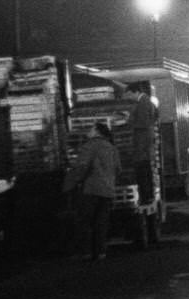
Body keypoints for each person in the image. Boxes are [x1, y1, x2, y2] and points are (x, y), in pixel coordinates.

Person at [62, 122, 120, 261]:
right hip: (108, 191)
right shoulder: (112, 148)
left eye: (91, 129)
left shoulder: (89, 146)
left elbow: (81, 167)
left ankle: (85, 252)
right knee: (101, 222)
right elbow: (118, 169)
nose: (88, 131)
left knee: (85, 222)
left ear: (97, 132)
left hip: (91, 190)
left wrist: (68, 185)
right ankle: (100, 252)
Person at [124, 82, 157, 203]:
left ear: (135, 92)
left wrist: (128, 121)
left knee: (142, 171)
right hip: (144, 143)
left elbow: (142, 123)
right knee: (145, 170)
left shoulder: (143, 102)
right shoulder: (145, 100)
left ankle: (146, 196)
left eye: (128, 94)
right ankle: (148, 196)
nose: (128, 97)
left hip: (142, 143)